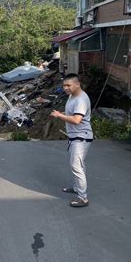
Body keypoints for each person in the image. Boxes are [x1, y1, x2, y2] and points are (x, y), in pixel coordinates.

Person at [50, 73, 93, 207]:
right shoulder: (72, 96)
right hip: (76, 136)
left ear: (77, 84)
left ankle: (83, 198)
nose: (66, 88)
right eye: (64, 85)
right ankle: (77, 188)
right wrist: (62, 114)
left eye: (69, 85)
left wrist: (58, 116)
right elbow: (72, 114)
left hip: (81, 137)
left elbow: (76, 120)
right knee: (79, 165)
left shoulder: (81, 99)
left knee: (76, 166)